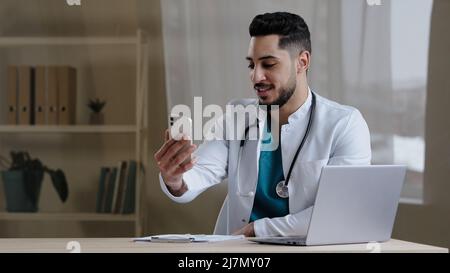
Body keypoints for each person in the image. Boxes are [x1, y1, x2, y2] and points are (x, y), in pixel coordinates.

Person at [154, 12, 371, 237]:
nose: (256, 77)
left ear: (302, 62)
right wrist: (175, 178)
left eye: (268, 64)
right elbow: (198, 175)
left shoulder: (344, 125)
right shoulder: (236, 117)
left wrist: (258, 229)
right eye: (252, 65)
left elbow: (339, 212)